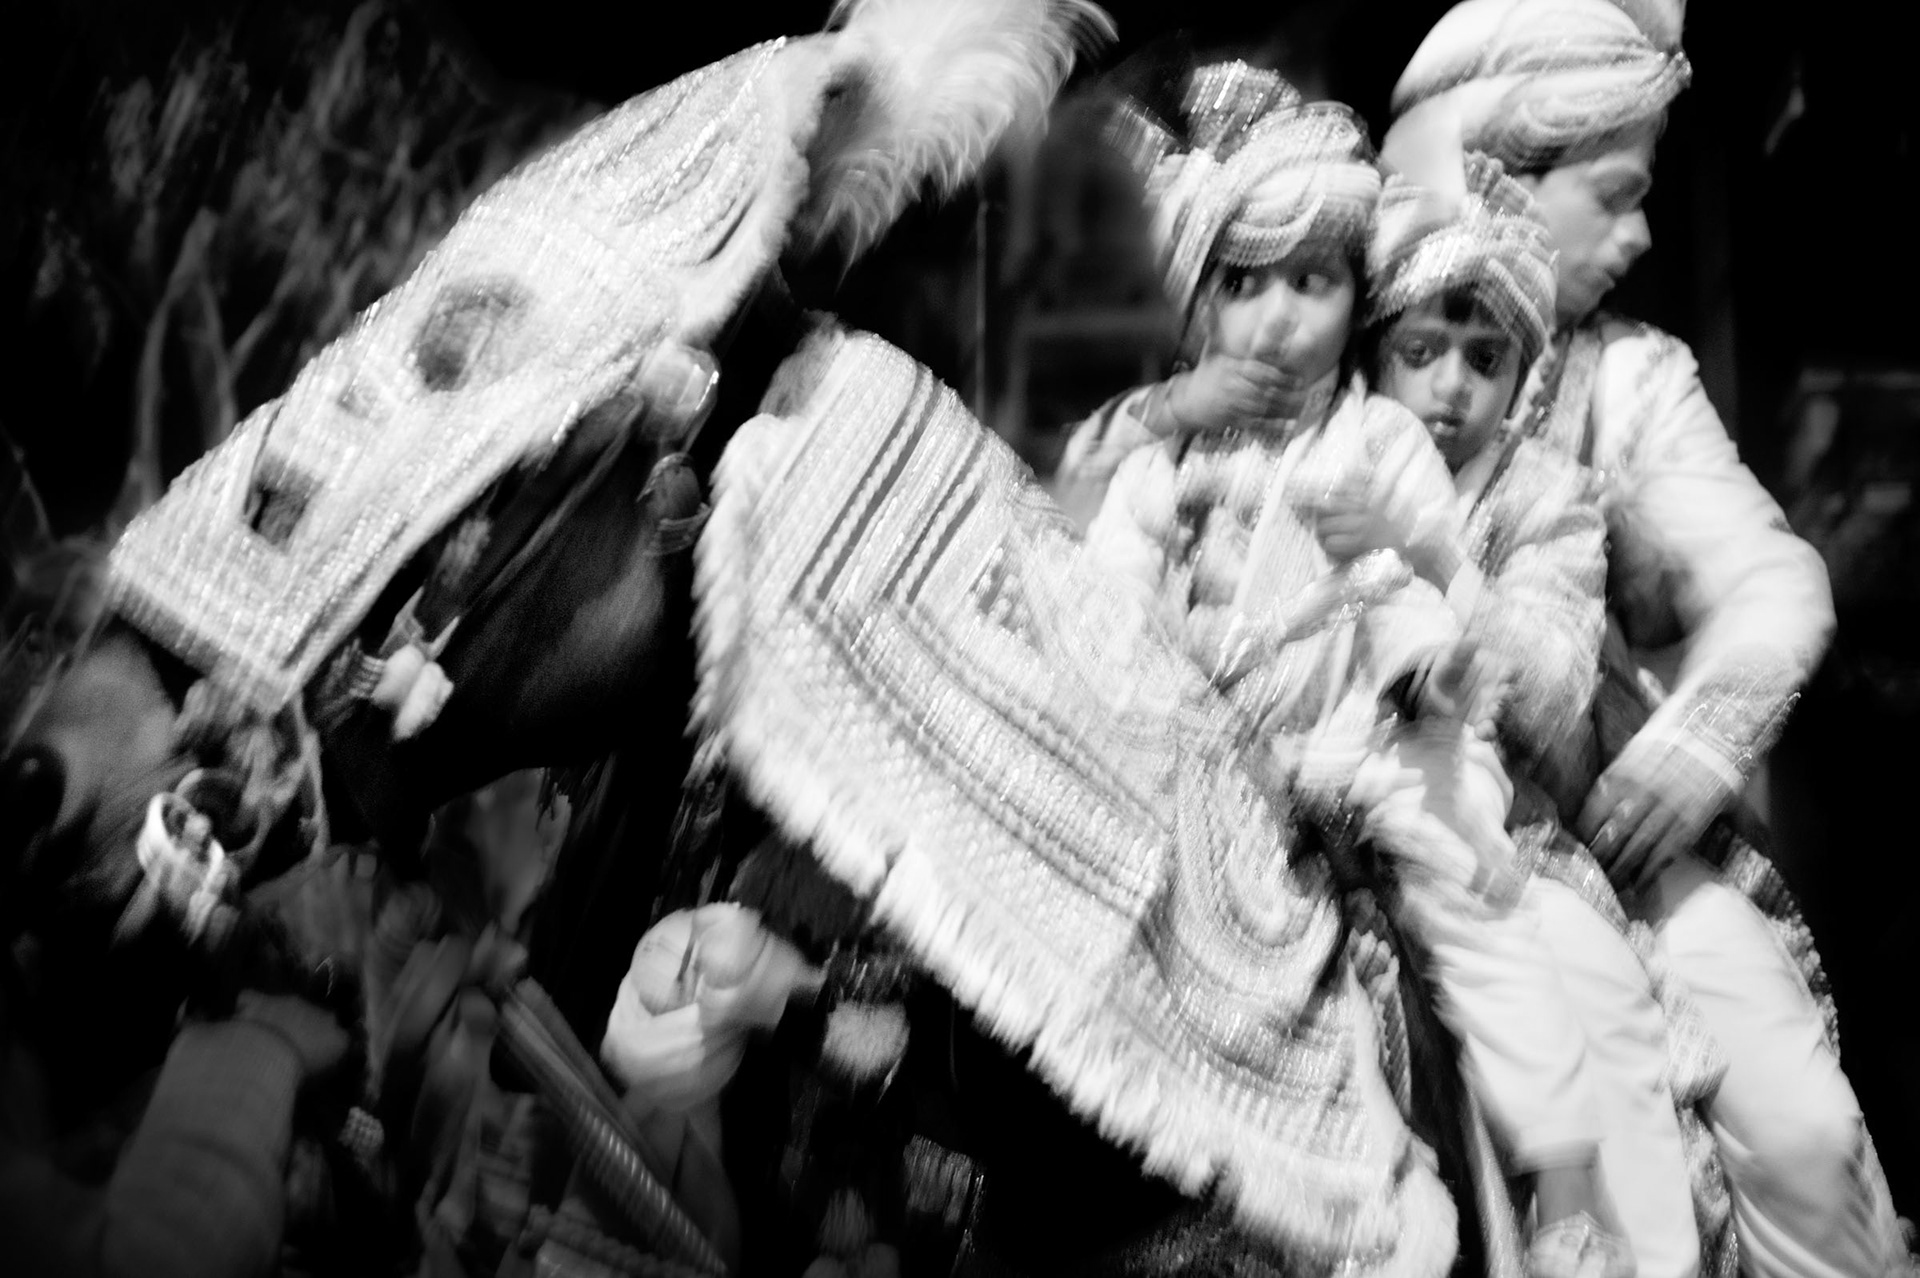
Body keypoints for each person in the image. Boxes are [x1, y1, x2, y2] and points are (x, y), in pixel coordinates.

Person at [1379, 2, 1909, 1274]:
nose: (1645, 232)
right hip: (1386, 825)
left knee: (1803, 1128)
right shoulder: (1351, 367)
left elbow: (1774, 583)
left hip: (1595, 829)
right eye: (1614, 195)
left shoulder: (1624, 379)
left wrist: (1691, 750)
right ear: (1501, 179)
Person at [1078, 61, 1631, 1277]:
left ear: (1353, 298)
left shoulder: (1373, 436)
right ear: (1198, 306)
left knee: (1461, 893)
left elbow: (1417, 571)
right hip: (1200, 752)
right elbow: (1107, 591)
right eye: (1243, 285)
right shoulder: (1165, 460)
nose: (1279, 321)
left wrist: (1423, 666)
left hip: (1364, 741)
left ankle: (1568, 1180)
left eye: (1314, 283)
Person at [1355, 150, 1712, 1278]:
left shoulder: (1542, 498)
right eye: (1422, 354)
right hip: (1335, 804)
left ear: (1520, 376)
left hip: (1497, 832)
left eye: (1484, 358)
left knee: (1596, 999)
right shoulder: (1325, 460)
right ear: (1375, 357)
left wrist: (1449, 588)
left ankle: (1625, 1249)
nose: (1452, 388)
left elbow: (1552, 685)